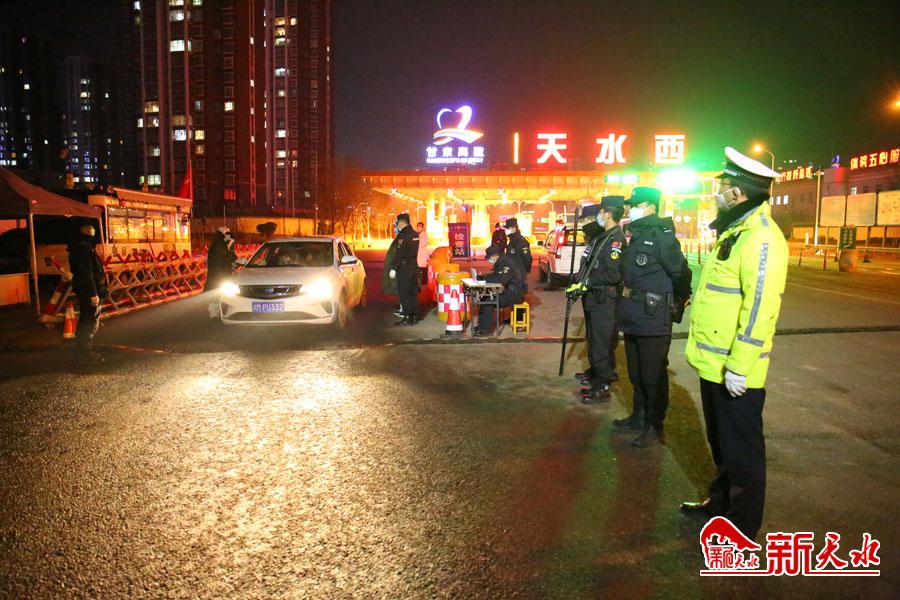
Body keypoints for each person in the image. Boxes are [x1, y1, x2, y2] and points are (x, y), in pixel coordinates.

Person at [680, 147, 787, 540]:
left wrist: (740, 365)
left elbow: (761, 309)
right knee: (722, 445)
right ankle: (719, 506)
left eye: (723, 185)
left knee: (743, 454)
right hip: (715, 365)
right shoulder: (735, 231)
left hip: (736, 371)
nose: (717, 192)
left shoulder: (761, 239)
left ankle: (742, 527)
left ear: (739, 193)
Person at [616, 187, 692, 447]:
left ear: (650, 207)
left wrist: (677, 301)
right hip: (633, 316)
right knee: (636, 373)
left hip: (653, 317)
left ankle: (654, 426)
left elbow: (681, 273)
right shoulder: (637, 235)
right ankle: (639, 417)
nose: (631, 210)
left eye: (635, 205)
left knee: (652, 374)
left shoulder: (660, 235)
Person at [566, 196, 627, 404]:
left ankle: (602, 385)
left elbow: (613, 274)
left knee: (602, 342)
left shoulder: (615, 239)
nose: (598, 215)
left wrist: (588, 281)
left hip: (605, 300)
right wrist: (579, 281)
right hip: (595, 297)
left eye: (600, 212)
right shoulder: (604, 236)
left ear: (608, 214)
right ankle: (595, 374)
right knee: (594, 338)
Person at [67, 223, 108, 351]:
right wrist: (93, 293)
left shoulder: (83, 248)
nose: (94, 231)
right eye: (92, 230)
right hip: (89, 290)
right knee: (89, 318)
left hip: (87, 288)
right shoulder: (84, 250)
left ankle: (84, 343)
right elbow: (87, 274)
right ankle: (85, 346)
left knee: (88, 316)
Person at [474, 244, 525, 336]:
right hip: (507, 292)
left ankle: (486, 330)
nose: (489, 260)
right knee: (484, 298)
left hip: (514, 294)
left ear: (495, 256)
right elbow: (494, 276)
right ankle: (481, 326)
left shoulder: (507, 264)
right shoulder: (500, 263)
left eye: (489, 258)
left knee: (489, 302)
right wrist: (482, 277)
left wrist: (484, 280)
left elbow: (501, 280)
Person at [389, 213, 420, 325]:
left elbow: (400, 254)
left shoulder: (403, 236)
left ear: (402, 223)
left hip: (404, 268)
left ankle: (407, 317)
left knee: (404, 293)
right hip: (414, 266)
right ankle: (413, 317)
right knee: (413, 293)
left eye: (397, 223)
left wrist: (394, 268)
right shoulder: (415, 234)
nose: (397, 225)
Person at [204, 226, 236, 291]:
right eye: (227, 234)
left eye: (229, 234)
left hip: (223, 277)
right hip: (217, 278)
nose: (229, 236)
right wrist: (230, 248)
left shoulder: (225, 245)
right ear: (221, 235)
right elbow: (224, 260)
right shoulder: (217, 246)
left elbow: (232, 257)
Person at [504, 218, 532, 286]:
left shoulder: (522, 241)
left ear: (514, 228)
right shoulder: (512, 240)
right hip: (511, 274)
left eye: (507, 228)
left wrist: (524, 270)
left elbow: (527, 259)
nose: (506, 230)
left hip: (518, 274)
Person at [416, 222, 429, 286]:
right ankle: (419, 281)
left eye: (420, 226)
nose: (419, 227)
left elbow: (422, 243)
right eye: (418, 226)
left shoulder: (424, 235)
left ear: (422, 227)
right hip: (418, 254)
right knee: (418, 268)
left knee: (423, 268)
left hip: (422, 254)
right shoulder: (417, 234)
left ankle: (424, 281)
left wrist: (416, 241)